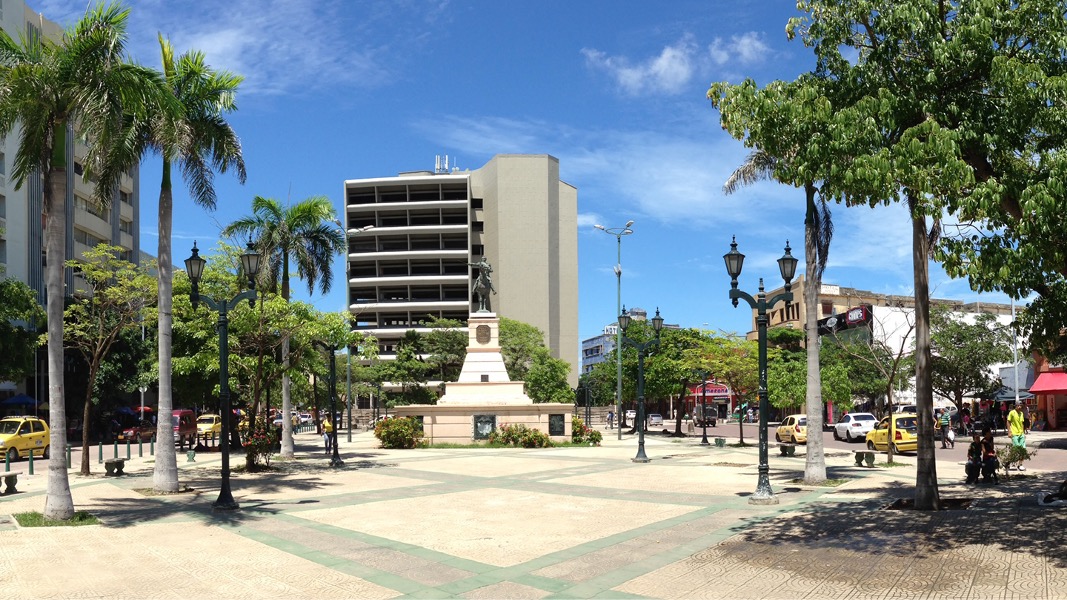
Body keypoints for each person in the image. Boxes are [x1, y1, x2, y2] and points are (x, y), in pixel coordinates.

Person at [1006, 401, 1027, 470]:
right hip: (1014, 433)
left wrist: (1023, 433)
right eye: (1018, 405)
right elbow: (1008, 422)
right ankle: (1008, 462)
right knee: (1016, 449)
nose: (1020, 407)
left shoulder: (1021, 413)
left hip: (1021, 433)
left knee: (1023, 449)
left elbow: (1022, 423)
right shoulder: (1012, 412)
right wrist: (1009, 431)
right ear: (1016, 406)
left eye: (1021, 406)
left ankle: (1020, 464)